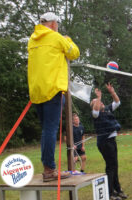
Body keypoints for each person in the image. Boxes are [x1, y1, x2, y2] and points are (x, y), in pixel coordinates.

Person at [27, 12, 80, 182]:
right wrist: (68, 40)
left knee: (46, 130)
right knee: (50, 130)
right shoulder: (57, 38)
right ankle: (49, 170)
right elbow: (74, 53)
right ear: (52, 24)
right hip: (52, 89)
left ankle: (47, 167)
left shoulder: (32, 39)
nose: (57, 26)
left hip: (36, 91)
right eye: (57, 23)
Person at [90, 83, 127, 200]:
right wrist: (98, 97)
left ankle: (117, 189)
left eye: (100, 101)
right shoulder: (95, 114)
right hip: (104, 142)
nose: (100, 103)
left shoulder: (106, 109)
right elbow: (95, 109)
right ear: (94, 105)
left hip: (112, 141)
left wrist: (112, 92)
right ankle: (110, 193)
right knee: (111, 166)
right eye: (97, 102)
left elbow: (117, 102)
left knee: (114, 165)